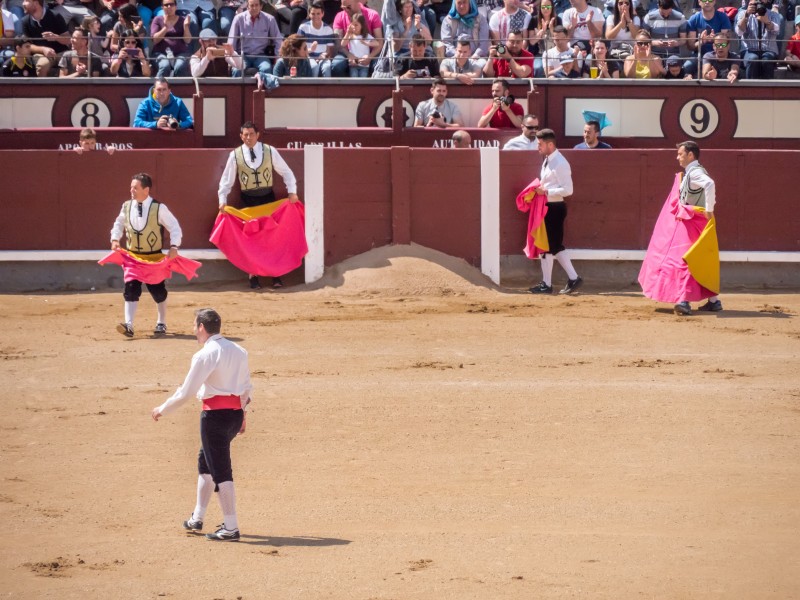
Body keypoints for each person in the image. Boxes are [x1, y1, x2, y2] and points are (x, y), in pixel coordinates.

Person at [151, 308, 252, 543]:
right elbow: (247, 386)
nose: (193, 330)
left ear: (201, 328)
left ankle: (231, 527)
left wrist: (162, 409)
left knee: (220, 470)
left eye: (194, 326)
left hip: (215, 417)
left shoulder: (205, 354)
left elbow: (187, 392)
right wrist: (243, 415)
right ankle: (197, 517)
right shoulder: (239, 350)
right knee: (205, 462)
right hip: (235, 414)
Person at [217, 121, 299, 289]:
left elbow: (286, 172)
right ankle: (253, 275)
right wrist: (222, 200)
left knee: (272, 237)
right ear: (241, 136)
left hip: (268, 199)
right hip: (247, 201)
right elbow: (226, 180)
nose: (248, 137)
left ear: (258, 135)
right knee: (251, 239)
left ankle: (276, 274)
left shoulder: (270, 151)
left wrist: (292, 191)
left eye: (251, 134)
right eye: (245, 135)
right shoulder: (235, 155)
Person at [110, 172, 183, 337]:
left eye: (135, 187)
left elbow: (175, 227)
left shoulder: (159, 208)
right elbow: (119, 222)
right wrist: (115, 238)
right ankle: (128, 324)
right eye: (131, 187)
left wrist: (174, 246)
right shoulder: (127, 206)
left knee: (158, 292)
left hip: (153, 258)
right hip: (133, 257)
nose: (131, 190)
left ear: (146, 189)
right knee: (130, 288)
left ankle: (161, 322)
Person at [529, 128, 583, 295]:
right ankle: (566, 280)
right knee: (551, 246)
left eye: (540, 144)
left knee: (550, 246)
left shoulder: (560, 163)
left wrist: (545, 192)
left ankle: (554, 282)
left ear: (550, 144)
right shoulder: (549, 159)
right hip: (548, 207)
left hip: (555, 208)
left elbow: (568, 190)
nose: (538, 147)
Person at [670, 141, 721, 315]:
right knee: (701, 260)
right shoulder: (692, 172)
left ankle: (684, 301)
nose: (678, 157)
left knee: (687, 260)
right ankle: (714, 301)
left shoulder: (695, 172)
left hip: (694, 222)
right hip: (696, 222)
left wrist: (709, 210)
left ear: (690, 155)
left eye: (680, 154)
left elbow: (710, 184)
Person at [227, 0, 283, 77]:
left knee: (266, 68)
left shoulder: (270, 19)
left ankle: (263, 89)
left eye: (256, 5)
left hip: (261, 55)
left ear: (261, 6)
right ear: (247, 6)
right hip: (243, 55)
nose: (254, 8)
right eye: (252, 5)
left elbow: (278, 40)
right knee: (237, 70)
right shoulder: (238, 19)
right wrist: (231, 59)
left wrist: (277, 57)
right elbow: (231, 41)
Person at [330, 0, 383, 77]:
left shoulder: (373, 15)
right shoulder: (339, 16)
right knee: (337, 65)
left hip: (369, 53)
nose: (345, 10)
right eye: (343, 7)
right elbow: (339, 43)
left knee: (380, 66)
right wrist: (349, 55)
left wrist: (370, 56)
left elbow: (379, 42)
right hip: (346, 53)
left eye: (348, 7)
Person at [21, 0, 69, 76]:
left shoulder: (55, 16)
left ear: (36, 3)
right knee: (42, 65)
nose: (23, 3)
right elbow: (28, 46)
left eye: (26, 1)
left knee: (73, 59)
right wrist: (43, 49)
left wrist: (56, 37)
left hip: (61, 53)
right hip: (41, 54)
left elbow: (68, 40)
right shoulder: (25, 21)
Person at [684, 0, 731, 77]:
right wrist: (702, 41)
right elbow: (690, 46)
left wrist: (715, 40)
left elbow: (726, 42)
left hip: (719, 54)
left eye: (710, 0)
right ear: (699, 2)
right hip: (699, 54)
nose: (707, 2)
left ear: (714, 2)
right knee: (687, 66)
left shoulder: (723, 17)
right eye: (704, 0)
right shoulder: (693, 19)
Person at [736, 0, 781, 79]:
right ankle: (750, 89)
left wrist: (767, 22)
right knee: (753, 59)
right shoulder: (743, 13)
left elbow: (777, 31)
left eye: (759, 4)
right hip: (749, 50)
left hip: (768, 50)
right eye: (754, 4)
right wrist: (746, 15)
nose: (757, 7)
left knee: (767, 60)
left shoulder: (773, 14)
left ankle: (769, 88)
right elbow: (739, 32)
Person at [440, 0, 489, 65]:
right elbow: (447, 43)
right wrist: (459, 56)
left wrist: (475, 56)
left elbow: (483, 43)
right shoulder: (448, 20)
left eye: (464, 2)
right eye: (459, 3)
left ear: (470, 3)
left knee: (482, 64)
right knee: (444, 65)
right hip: (455, 58)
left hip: (476, 58)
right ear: (454, 4)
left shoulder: (480, 19)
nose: (462, 6)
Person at [150, 0, 192, 77]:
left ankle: (179, 88)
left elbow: (188, 40)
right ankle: (157, 88)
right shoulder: (157, 19)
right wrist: (165, 27)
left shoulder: (183, 20)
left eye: (172, 4)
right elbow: (155, 40)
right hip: (160, 53)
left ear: (176, 6)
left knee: (179, 66)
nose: (169, 7)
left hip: (181, 53)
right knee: (165, 66)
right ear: (162, 7)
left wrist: (186, 26)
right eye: (166, 5)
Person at [297, 1, 335, 77]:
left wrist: (324, 55)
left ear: (322, 14)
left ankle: (328, 88)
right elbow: (298, 47)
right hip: (307, 56)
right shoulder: (303, 27)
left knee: (327, 67)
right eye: (313, 14)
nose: (316, 16)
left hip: (323, 57)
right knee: (314, 67)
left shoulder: (328, 29)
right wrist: (310, 52)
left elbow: (329, 50)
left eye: (318, 13)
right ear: (309, 14)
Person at [341, 12, 379, 76]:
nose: (354, 27)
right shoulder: (351, 35)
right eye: (352, 25)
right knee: (354, 80)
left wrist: (367, 43)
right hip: (353, 64)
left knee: (363, 81)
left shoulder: (366, 36)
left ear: (362, 25)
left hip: (364, 65)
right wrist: (347, 33)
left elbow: (377, 43)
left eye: (356, 25)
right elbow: (342, 44)